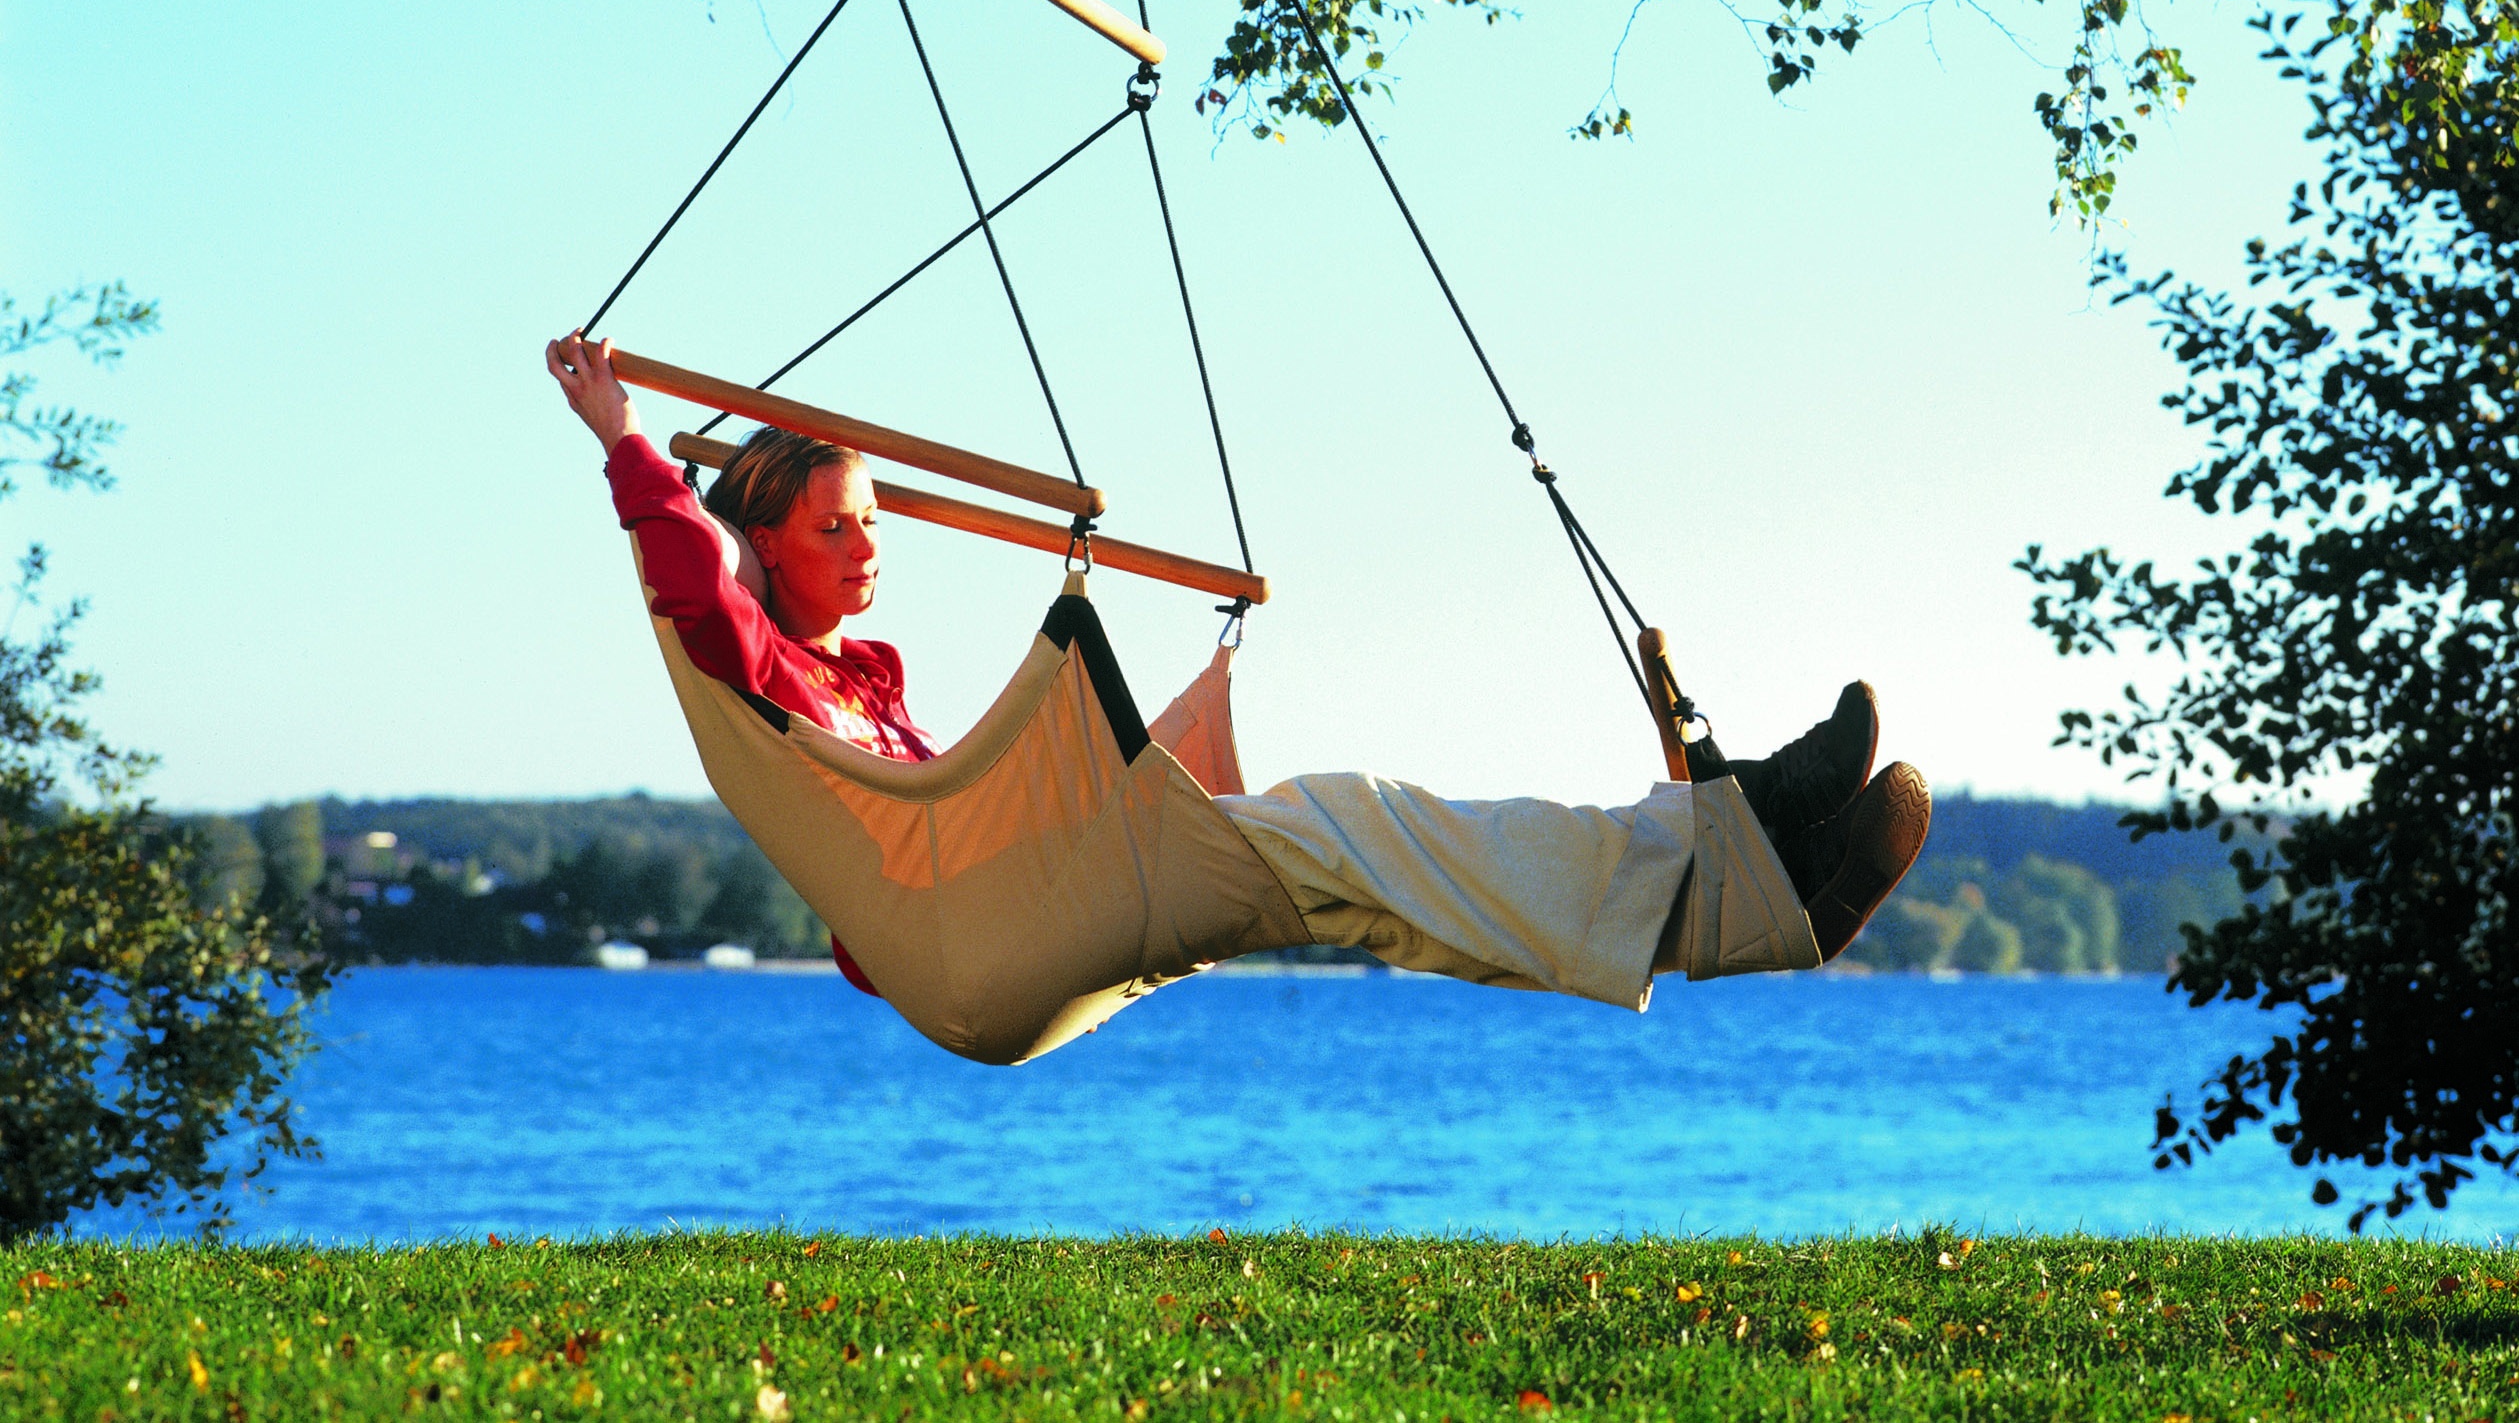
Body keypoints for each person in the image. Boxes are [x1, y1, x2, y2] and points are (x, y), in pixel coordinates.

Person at [547, 331, 1931, 1008]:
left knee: (1363, 873)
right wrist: (623, 434)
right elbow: (689, 577)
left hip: (1041, 902)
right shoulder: (776, 680)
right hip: (973, 943)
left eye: (873, 523)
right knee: (1344, 822)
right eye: (833, 526)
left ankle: (1740, 876)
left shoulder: (879, 686)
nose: (866, 548)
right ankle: (1734, 866)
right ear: (766, 549)